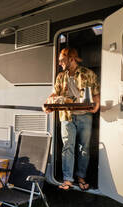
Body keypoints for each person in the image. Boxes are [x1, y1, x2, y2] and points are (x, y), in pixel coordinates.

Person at [43, 47, 100, 191]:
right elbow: (54, 94)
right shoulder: (61, 77)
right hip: (67, 116)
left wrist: (97, 105)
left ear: (71, 59)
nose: (60, 63)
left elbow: (96, 93)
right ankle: (68, 179)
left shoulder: (88, 74)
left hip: (85, 116)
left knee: (84, 148)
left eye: (62, 60)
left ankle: (81, 176)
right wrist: (46, 105)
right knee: (68, 147)